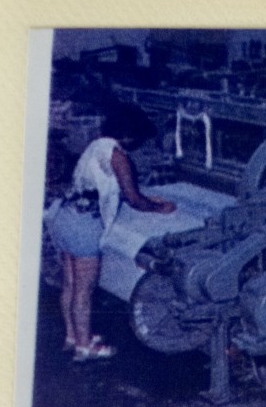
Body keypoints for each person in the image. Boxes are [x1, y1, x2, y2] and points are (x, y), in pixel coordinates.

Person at [48, 103, 176, 361]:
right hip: (84, 227)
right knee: (84, 291)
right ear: (129, 134)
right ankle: (85, 347)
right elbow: (134, 199)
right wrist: (159, 208)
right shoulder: (118, 156)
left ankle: (73, 336)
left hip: (64, 217)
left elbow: (115, 189)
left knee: (70, 285)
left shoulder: (97, 145)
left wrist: (144, 198)